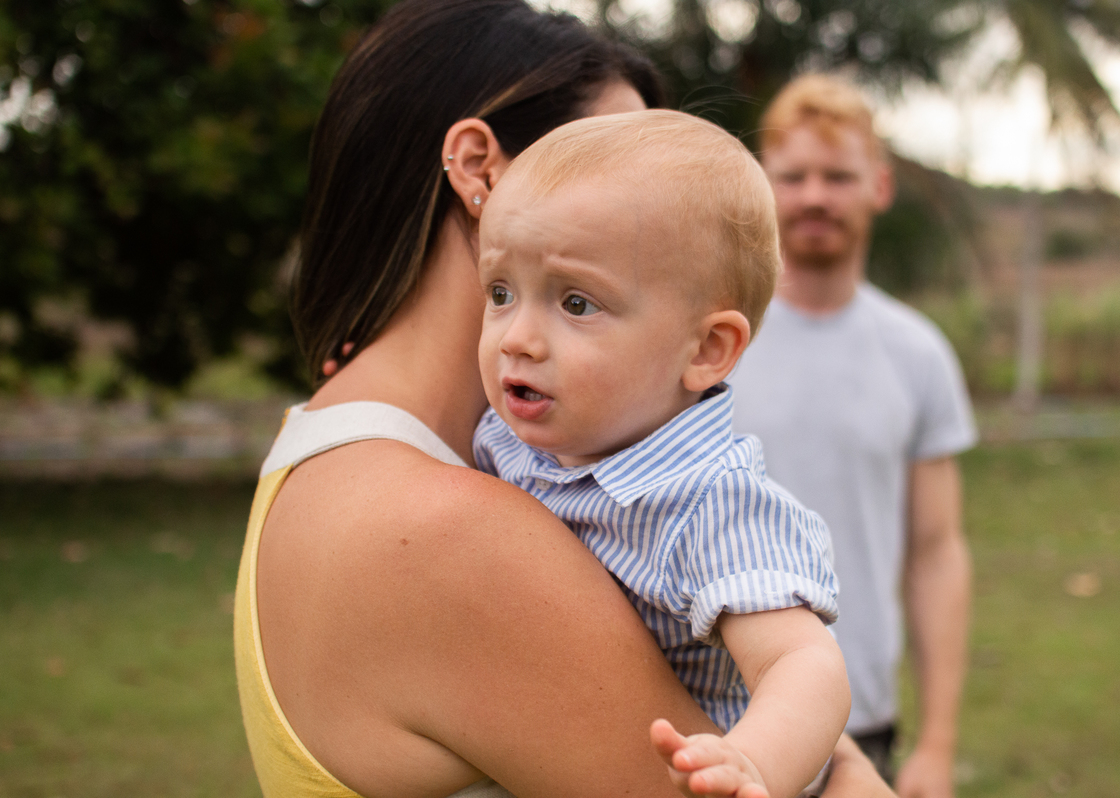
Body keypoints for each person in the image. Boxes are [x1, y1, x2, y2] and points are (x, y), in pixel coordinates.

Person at [234, 3, 897, 796]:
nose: (649, 198)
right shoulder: (447, 533)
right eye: (607, 159)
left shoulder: (332, 446)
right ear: (481, 169)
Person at [472, 110, 847, 798]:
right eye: (500, 292)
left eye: (577, 303)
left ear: (706, 351)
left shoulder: (713, 504)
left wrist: (755, 762)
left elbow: (805, 664)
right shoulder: (511, 435)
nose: (516, 338)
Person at [730, 75, 977, 798]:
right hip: (713, 709)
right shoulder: (708, 341)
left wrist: (937, 742)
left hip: (861, 719)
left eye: (837, 176)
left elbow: (936, 553)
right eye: (794, 175)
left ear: (879, 185)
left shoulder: (918, 352)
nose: (814, 196)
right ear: (763, 185)